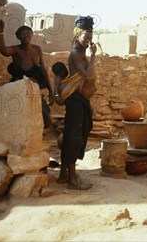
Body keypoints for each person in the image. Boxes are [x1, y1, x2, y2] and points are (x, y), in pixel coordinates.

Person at [58, 17, 97, 190]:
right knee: (74, 136)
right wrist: (94, 56)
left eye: (90, 34)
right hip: (75, 99)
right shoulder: (76, 53)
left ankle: (63, 174)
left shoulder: (80, 52)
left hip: (80, 98)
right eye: (85, 34)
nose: (88, 38)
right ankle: (73, 179)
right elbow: (87, 75)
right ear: (77, 34)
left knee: (75, 132)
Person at [0, 20, 54, 127]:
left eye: (28, 32)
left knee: (47, 119)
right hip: (20, 87)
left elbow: (44, 70)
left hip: (35, 90)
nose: (26, 35)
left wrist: (51, 90)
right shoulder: (16, 49)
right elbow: (3, 50)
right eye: (22, 33)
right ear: (18, 37)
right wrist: (0, 31)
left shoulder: (37, 49)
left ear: (32, 35)